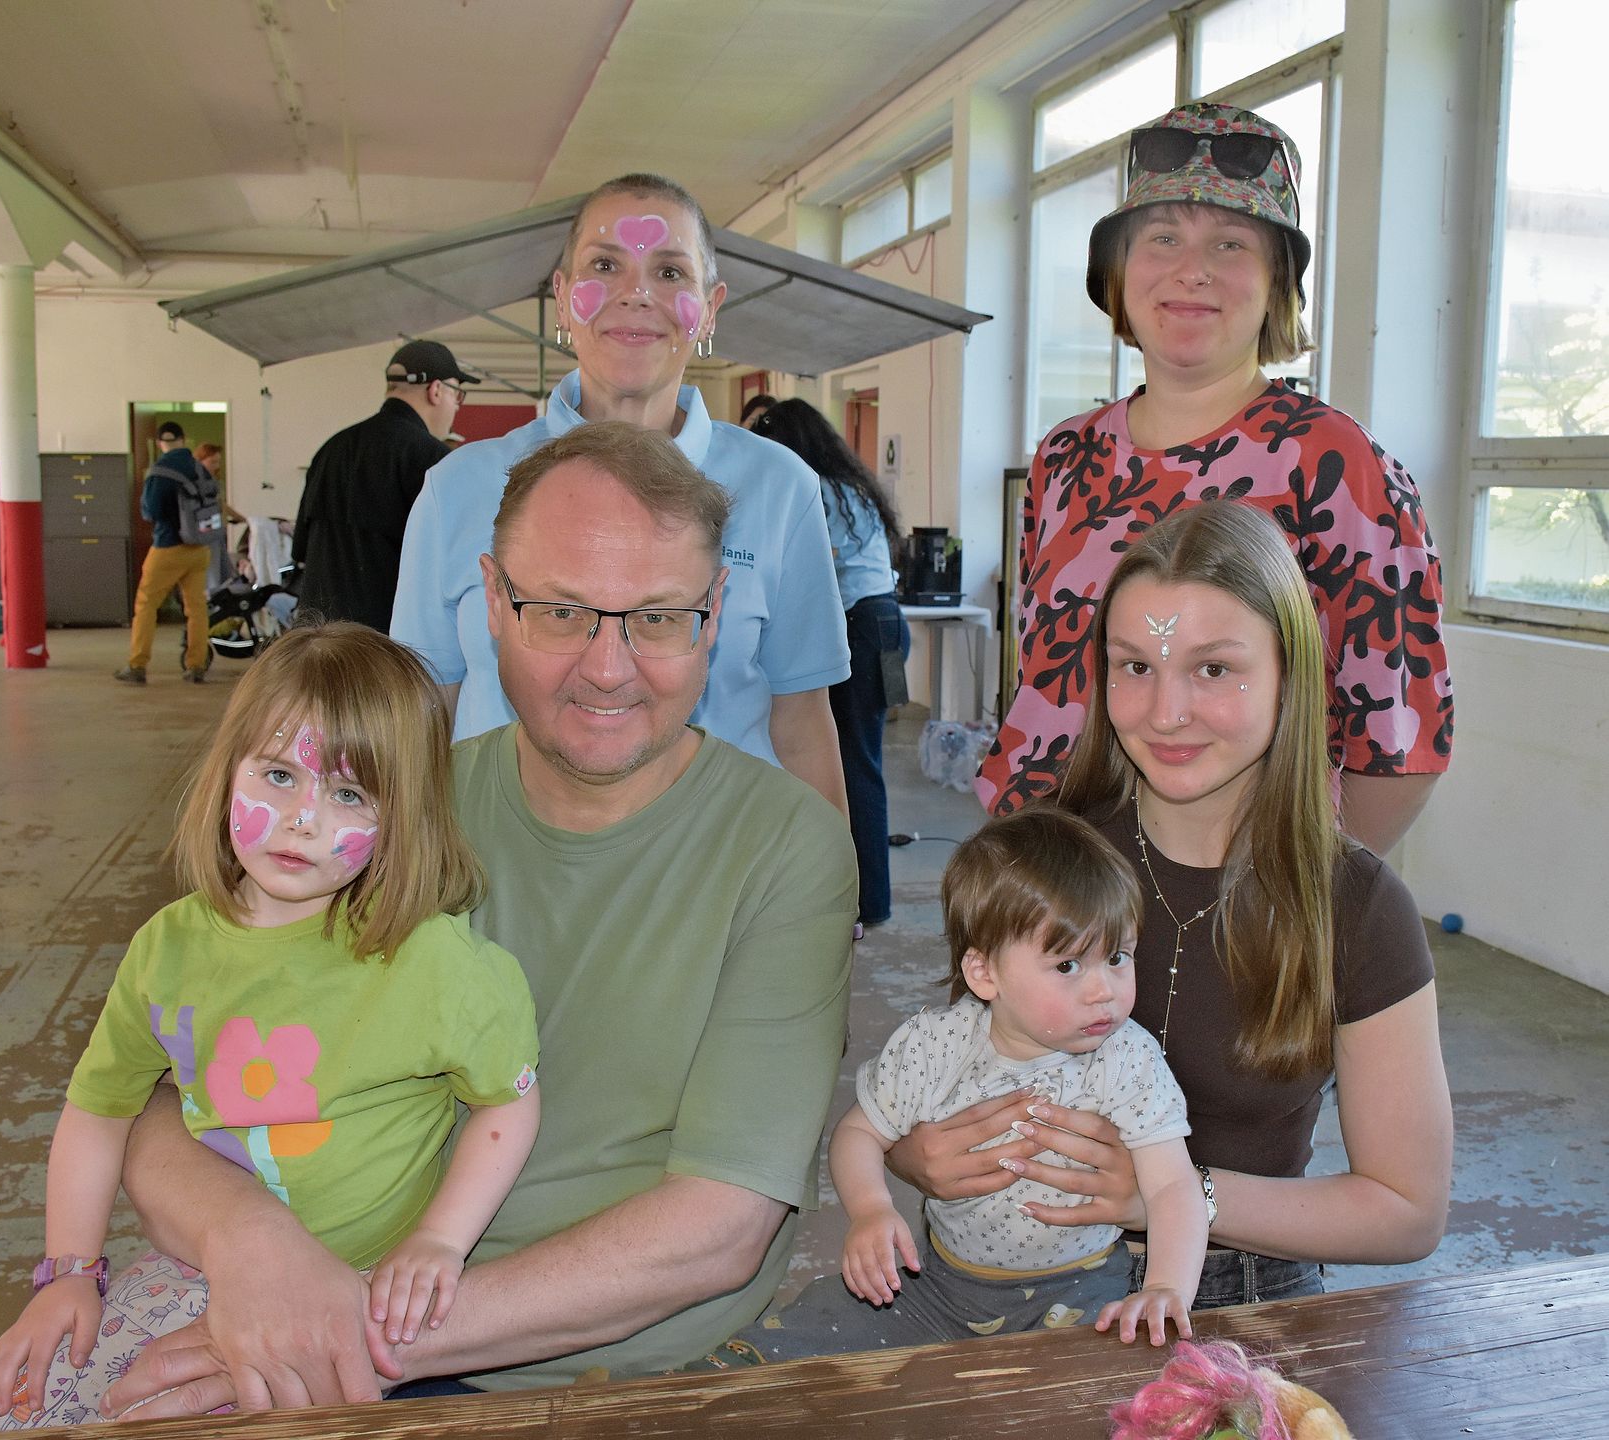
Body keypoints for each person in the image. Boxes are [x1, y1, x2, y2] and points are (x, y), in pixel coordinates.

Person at [93, 424, 856, 1417]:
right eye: (561, 611)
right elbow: (153, 1103)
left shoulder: (783, 848)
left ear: (714, 615)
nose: (609, 668)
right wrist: (251, 1243)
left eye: (658, 618)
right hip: (313, 1290)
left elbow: (720, 1228)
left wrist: (350, 1333)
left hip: (598, 1371)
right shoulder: (385, 812)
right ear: (491, 604)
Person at [0, 624, 541, 1430]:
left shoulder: (438, 965)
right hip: (197, 1264)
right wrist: (68, 1273)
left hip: (364, 1290)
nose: (301, 820)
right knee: (29, 1409)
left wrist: (441, 1242)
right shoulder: (167, 949)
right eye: (278, 774)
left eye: (348, 794)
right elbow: (100, 1112)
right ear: (227, 768)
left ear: (403, 817)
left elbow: (508, 1100)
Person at [891, 502, 1453, 1314]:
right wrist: (918, 1156)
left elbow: (1405, 1214)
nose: (1165, 713)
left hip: (1244, 1283)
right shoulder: (1046, 857)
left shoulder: (1356, 905)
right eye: (1134, 666)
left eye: (1214, 670)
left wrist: (1160, 1193)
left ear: (1289, 674)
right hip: (1001, 1277)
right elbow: (945, 1072)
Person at [977, 104, 1452, 857]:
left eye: (1230, 244)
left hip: (1229, 884)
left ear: (1275, 285)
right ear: (1118, 271)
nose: (1190, 269)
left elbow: (1402, 736)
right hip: (1047, 872)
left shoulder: (1330, 461)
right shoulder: (1065, 455)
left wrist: (1298, 893)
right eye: (1161, 237)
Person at [392, 173, 850, 816]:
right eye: (605, 265)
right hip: (497, 877)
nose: (636, 294)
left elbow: (802, 721)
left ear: (711, 307)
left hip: (720, 874)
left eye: (669, 273)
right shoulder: (457, 490)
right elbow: (423, 715)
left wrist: (833, 897)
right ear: (561, 297)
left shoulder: (780, 489)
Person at [735, 807, 1206, 1361]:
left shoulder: (1128, 1057)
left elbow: (1174, 1186)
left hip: (1083, 1292)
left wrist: (1164, 1288)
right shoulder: (934, 1044)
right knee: (804, 1337)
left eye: (1118, 957)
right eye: (1068, 966)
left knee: (1105, 1389)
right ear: (985, 974)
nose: (1104, 990)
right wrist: (870, 1210)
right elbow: (859, 1133)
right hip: (938, 1286)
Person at [752, 398, 909, 924]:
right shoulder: (855, 488)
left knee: (848, 767)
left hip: (860, 626)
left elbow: (811, 571)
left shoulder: (813, 490)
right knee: (866, 763)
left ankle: (860, 900)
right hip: (888, 623)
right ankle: (873, 897)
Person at [293, 340, 478, 632]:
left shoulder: (331, 450)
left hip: (318, 644)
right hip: (387, 649)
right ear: (437, 390)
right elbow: (457, 567)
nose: (456, 405)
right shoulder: (433, 461)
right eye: (458, 393)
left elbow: (301, 549)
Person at [114, 421, 212, 685]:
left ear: (160, 443)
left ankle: (137, 665)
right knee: (196, 609)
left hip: (168, 547)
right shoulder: (199, 469)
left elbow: (150, 512)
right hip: (199, 548)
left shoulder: (159, 471)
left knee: (146, 605)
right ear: (184, 439)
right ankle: (196, 666)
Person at [192, 444, 246, 591]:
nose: (216, 466)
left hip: (216, 533)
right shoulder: (194, 484)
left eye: (218, 462)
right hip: (203, 536)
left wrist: (244, 519)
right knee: (210, 575)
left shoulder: (213, 482)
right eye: (213, 462)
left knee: (220, 571)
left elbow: (221, 504)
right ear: (200, 461)